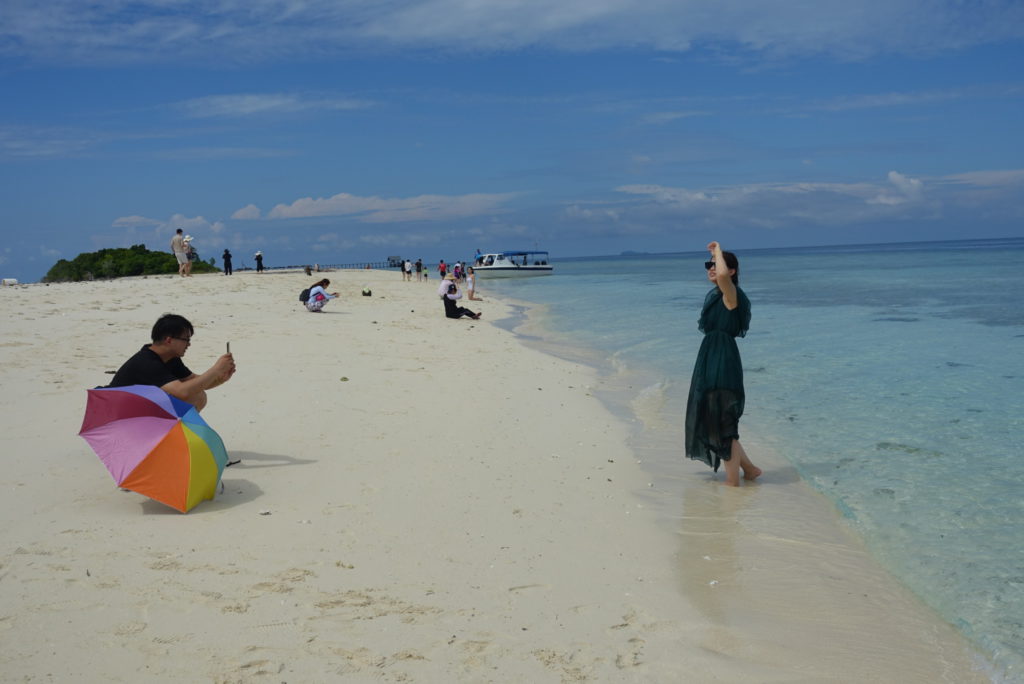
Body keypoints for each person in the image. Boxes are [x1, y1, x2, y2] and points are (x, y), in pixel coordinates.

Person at [684, 242, 761, 486]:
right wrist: (715, 258)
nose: (710, 269)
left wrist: (717, 250)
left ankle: (733, 484)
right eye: (708, 266)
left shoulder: (731, 296)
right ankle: (749, 470)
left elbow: (724, 276)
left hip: (722, 360)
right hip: (711, 357)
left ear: (731, 271)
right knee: (716, 418)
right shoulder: (717, 295)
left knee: (723, 421)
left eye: (714, 266)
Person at [108, 314, 236, 414]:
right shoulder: (147, 362)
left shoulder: (170, 357)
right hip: (119, 412)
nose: (189, 344)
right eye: (186, 339)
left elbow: (195, 383)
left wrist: (220, 379)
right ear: (169, 340)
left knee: (198, 396)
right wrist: (215, 370)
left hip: (139, 406)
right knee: (193, 397)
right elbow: (182, 392)